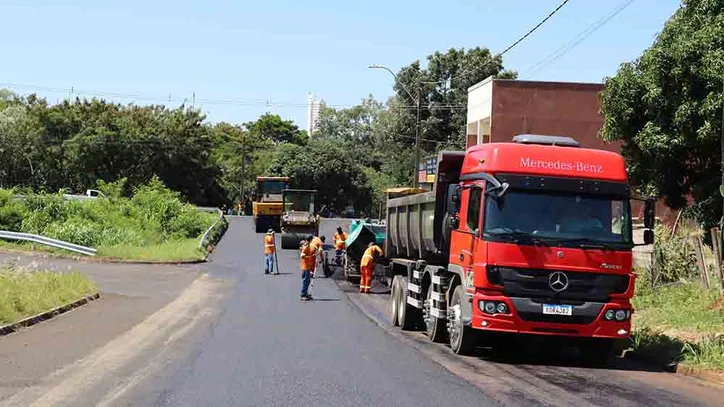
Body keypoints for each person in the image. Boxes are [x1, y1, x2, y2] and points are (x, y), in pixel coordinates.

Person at [299, 236, 317, 300]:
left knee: (308, 280)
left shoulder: (309, 245)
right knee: (305, 281)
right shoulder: (306, 246)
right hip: (305, 267)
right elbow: (302, 255)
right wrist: (309, 257)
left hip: (308, 266)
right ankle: (303, 294)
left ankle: (305, 293)